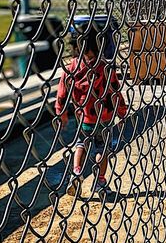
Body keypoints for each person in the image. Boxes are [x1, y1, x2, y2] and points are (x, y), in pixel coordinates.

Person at [54, 24, 128, 196]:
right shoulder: (105, 67)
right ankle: (100, 181)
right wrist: (122, 112)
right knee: (102, 148)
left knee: (81, 144)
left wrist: (61, 114)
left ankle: (77, 172)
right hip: (104, 116)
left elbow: (62, 93)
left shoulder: (71, 68)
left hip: (83, 117)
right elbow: (115, 91)